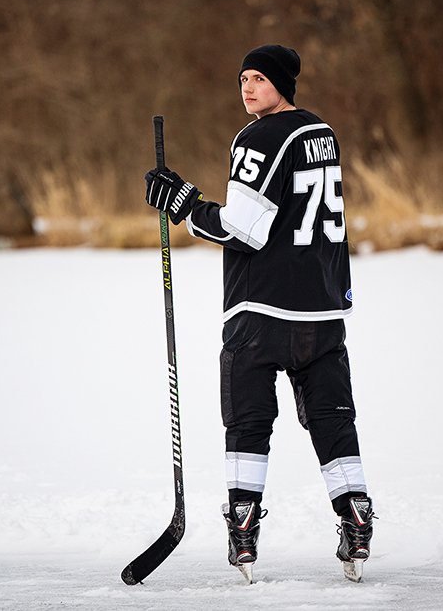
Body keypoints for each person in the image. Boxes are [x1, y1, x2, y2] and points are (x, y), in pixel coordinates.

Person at [144, 44, 375, 581]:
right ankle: (356, 514)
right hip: (321, 312)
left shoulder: (257, 137)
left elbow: (244, 230)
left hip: (261, 310)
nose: (247, 88)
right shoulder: (322, 133)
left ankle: (243, 525)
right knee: (333, 419)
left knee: (248, 421)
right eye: (243, 78)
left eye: (258, 79)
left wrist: (184, 206)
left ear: (281, 85)